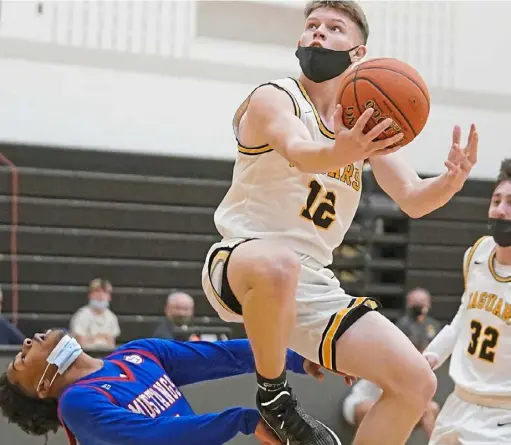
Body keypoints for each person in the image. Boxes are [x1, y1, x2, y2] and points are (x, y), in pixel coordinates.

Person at [201, 1, 478, 444]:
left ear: (358, 54)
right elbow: (298, 149)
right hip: (242, 260)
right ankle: (274, 399)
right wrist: (345, 151)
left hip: (313, 285)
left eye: (333, 28)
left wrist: (451, 180)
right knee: (280, 265)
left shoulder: (362, 122)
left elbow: (412, 198)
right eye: (311, 26)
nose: (318, 34)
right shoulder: (275, 96)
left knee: (416, 384)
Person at [0, 329, 332, 445]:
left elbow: (225, 355)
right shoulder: (78, 403)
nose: (27, 342)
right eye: (21, 359)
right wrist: (244, 420)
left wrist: (299, 358)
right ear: (43, 388)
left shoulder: (139, 351)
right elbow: (159, 437)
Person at [423, 158, 511, 445]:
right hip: (459, 401)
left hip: (503, 413)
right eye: (496, 200)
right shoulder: (477, 254)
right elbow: (464, 316)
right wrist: (431, 356)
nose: (500, 210)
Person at [70, 278, 121, 349]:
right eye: (97, 291)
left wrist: (92, 339)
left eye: (105, 292)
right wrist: (102, 337)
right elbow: (80, 342)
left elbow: (111, 344)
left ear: (109, 297)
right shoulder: (81, 315)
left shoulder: (112, 317)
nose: (100, 295)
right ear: (90, 295)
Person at [395, 287, 442, 352]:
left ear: (429, 304)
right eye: (415, 302)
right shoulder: (402, 325)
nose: (420, 305)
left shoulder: (434, 324)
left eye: (423, 301)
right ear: (408, 304)